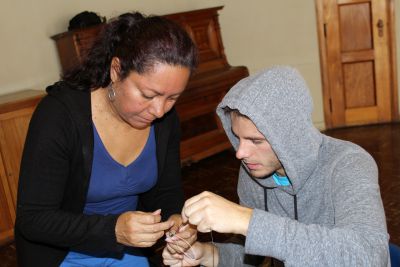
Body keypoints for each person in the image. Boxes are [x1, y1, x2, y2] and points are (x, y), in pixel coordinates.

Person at [15, 11, 197, 267]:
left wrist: (177, 220)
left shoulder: (165, 120)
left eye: (173, 98)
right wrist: (112, 229)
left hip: (128, 251)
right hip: (63, 254)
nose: (159, 111)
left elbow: (166, 191)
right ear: (116, 70)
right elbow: (33, 219)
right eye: (148, 95)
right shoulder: (59, 115)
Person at [162, 66, 390, 266]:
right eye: (237, 137)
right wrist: (209, 255)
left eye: (256, 141)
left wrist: (247, 220)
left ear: (289, 137)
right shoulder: (253, 170)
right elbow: (254, 253)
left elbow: (368, 256)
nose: (241, 153)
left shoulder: (349, 163)